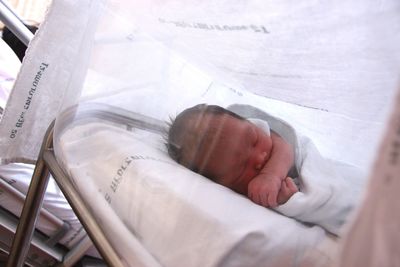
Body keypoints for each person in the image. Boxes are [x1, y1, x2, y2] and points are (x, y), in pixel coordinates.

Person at [167, 104, 298, 208]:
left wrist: (271, 175)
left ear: (248, 122)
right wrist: (280, 200)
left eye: (254, 140)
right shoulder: (239, 193)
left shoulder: (261, 130)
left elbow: (285, 149)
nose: (259, 158)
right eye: (242, 168)